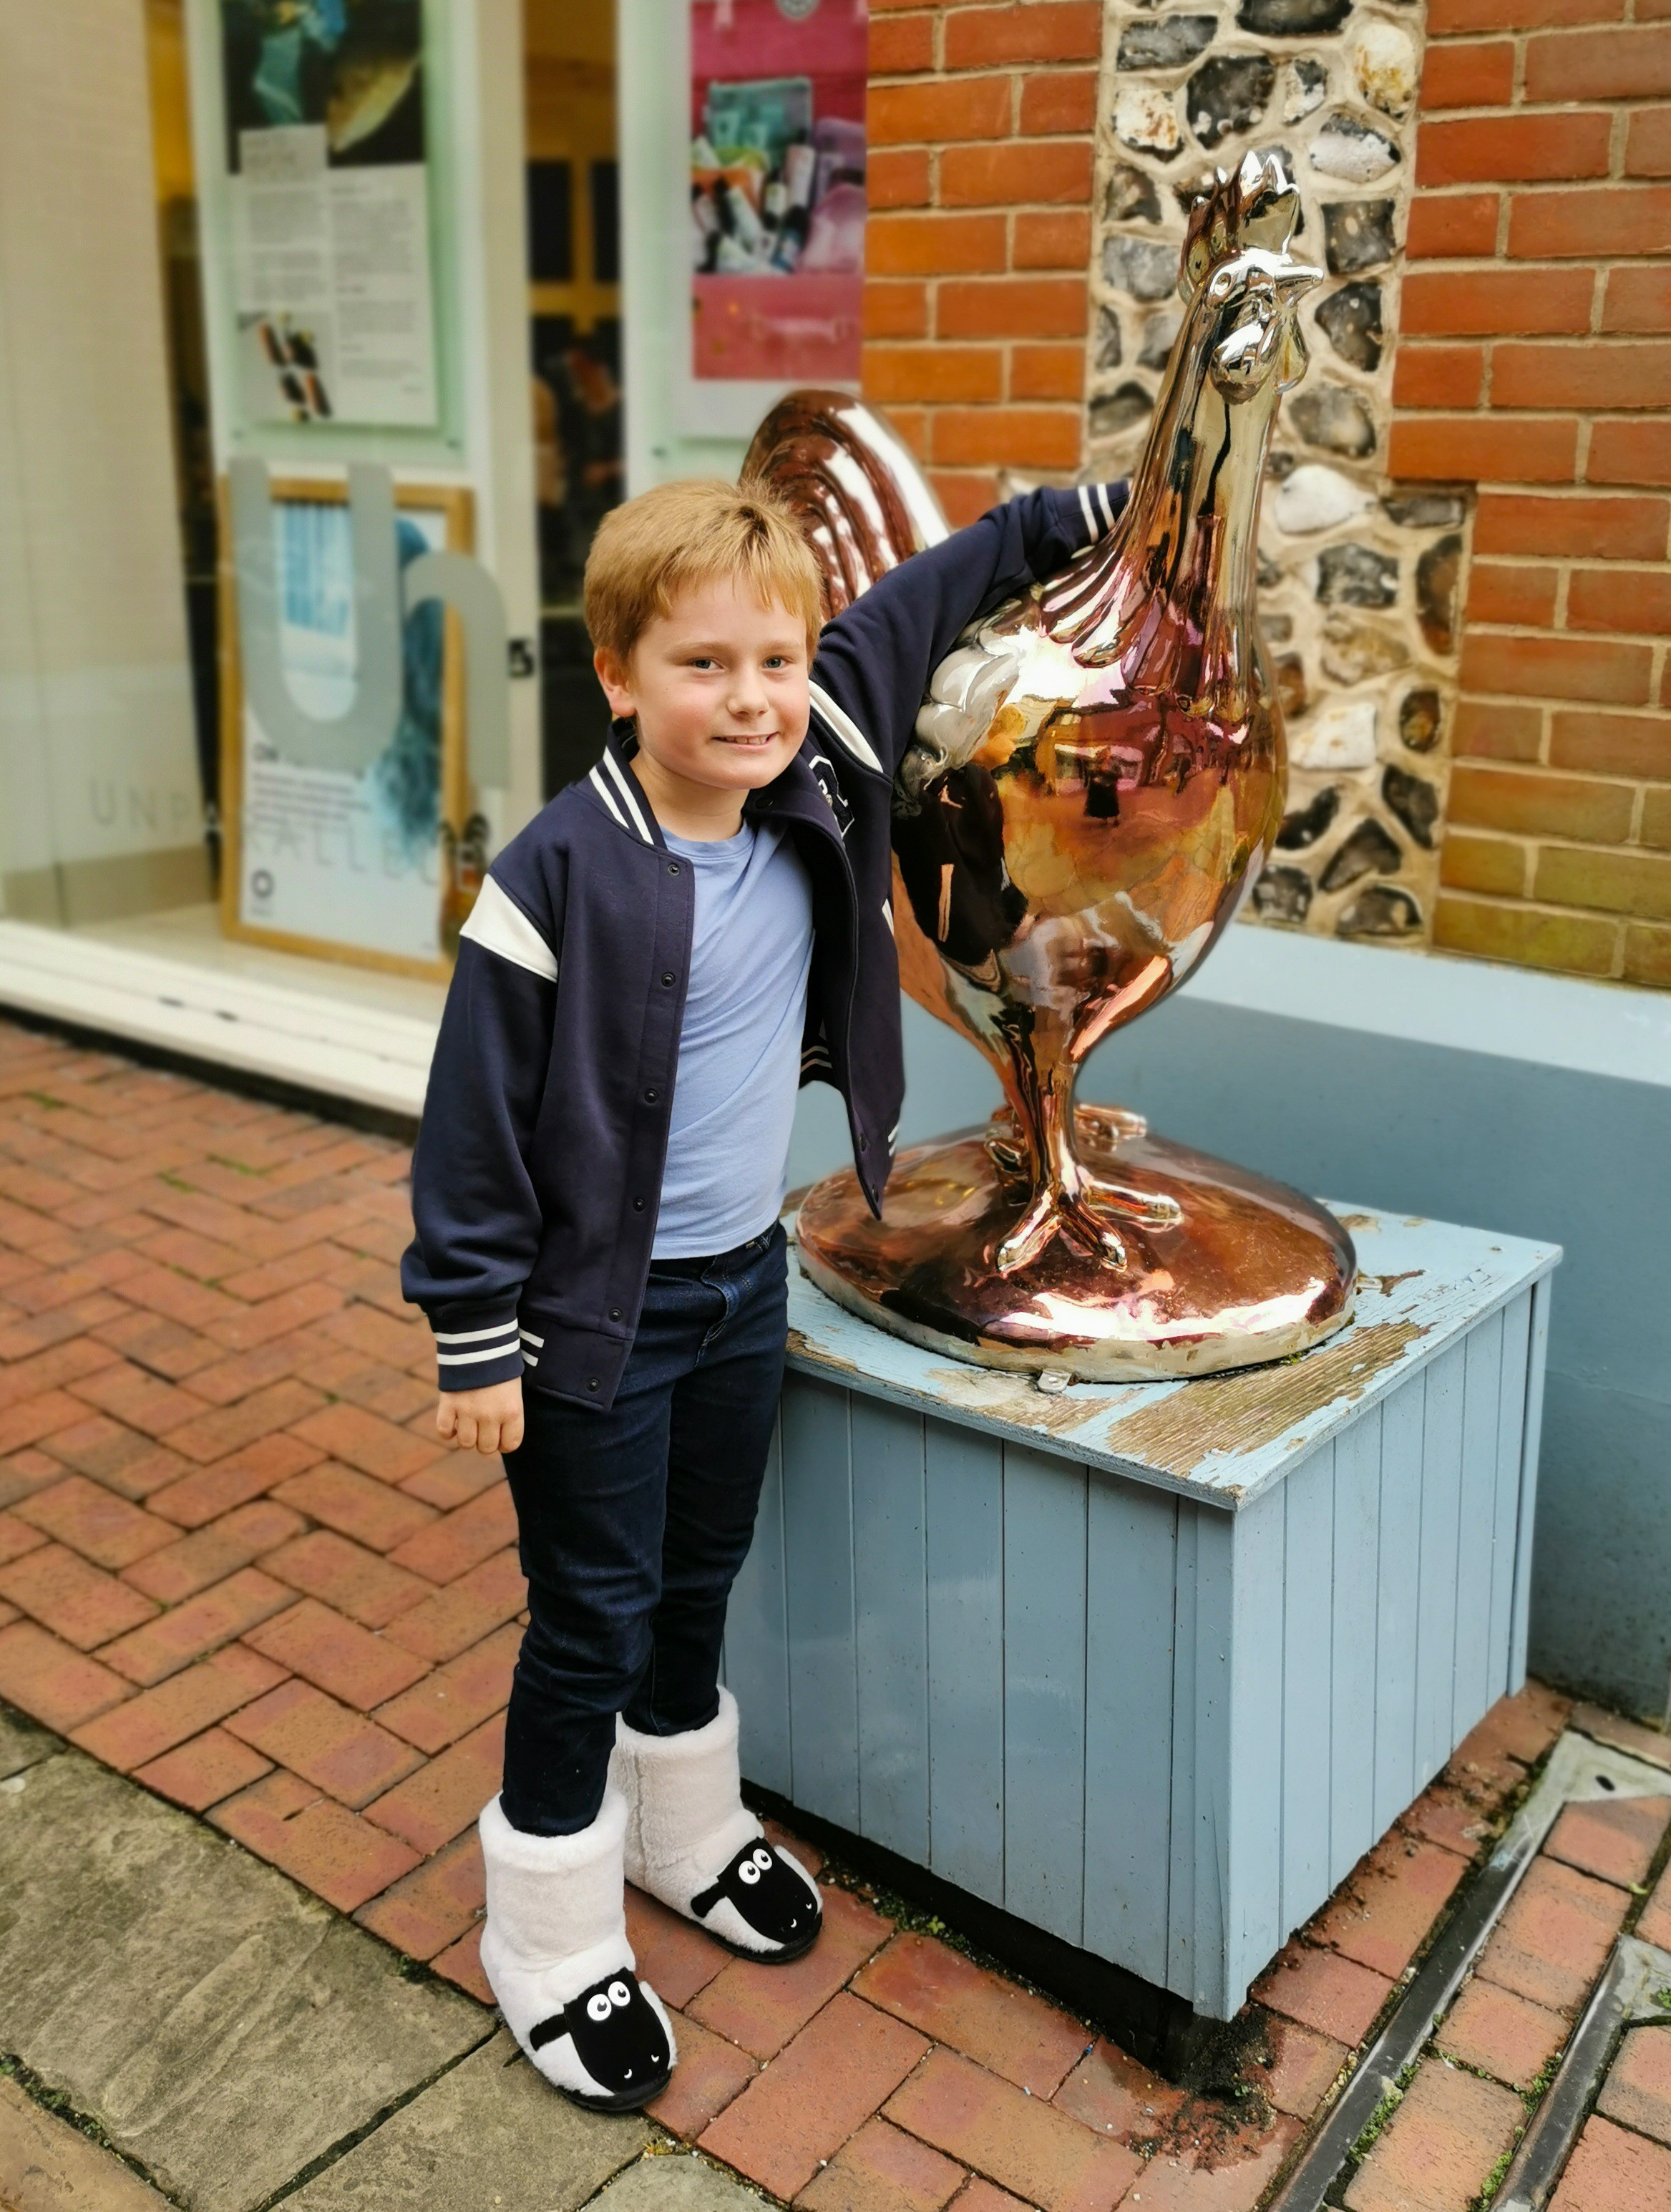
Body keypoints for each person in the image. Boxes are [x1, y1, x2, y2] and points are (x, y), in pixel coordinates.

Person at [401, 467, 1127, 2111]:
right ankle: (549, 1931)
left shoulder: (820, 759)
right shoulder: (555, 876)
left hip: (741, 1286)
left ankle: (682, 1833)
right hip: (586, 1323)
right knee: (590, 1616)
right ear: (617, 678)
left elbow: (922, 601)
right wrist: (474, 1338)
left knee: (700, 1573)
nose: (750, 698)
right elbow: (471, 1125)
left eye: (775, 662)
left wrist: (1072, 518)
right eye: (702, 665)